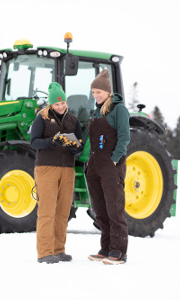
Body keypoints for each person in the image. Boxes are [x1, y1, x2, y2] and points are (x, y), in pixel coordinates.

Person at [30, 82, 83, 264]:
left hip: (67, 169)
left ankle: (58, 250)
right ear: (51, 104)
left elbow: (80, 147)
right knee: (47, 211)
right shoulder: (41, 118)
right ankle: (45, 252)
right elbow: (34, 142)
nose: (61, 107)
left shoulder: (73, 121)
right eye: (57, 104)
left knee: (62, 212)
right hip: (46, 168)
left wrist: (75, 146)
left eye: (63, 103)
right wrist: (51, 142)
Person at [85, 69, 130, 265]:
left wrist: (115, 159)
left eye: (99, 92)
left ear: (108, 92)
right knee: (100, 210)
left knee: (114, 208)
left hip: (111, 165)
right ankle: (105, 247)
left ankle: (118, 250)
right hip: (95, 164)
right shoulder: (96, 110)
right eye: (94, 92)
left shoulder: (119, 109)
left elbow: (124, 137)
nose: (96, 96)